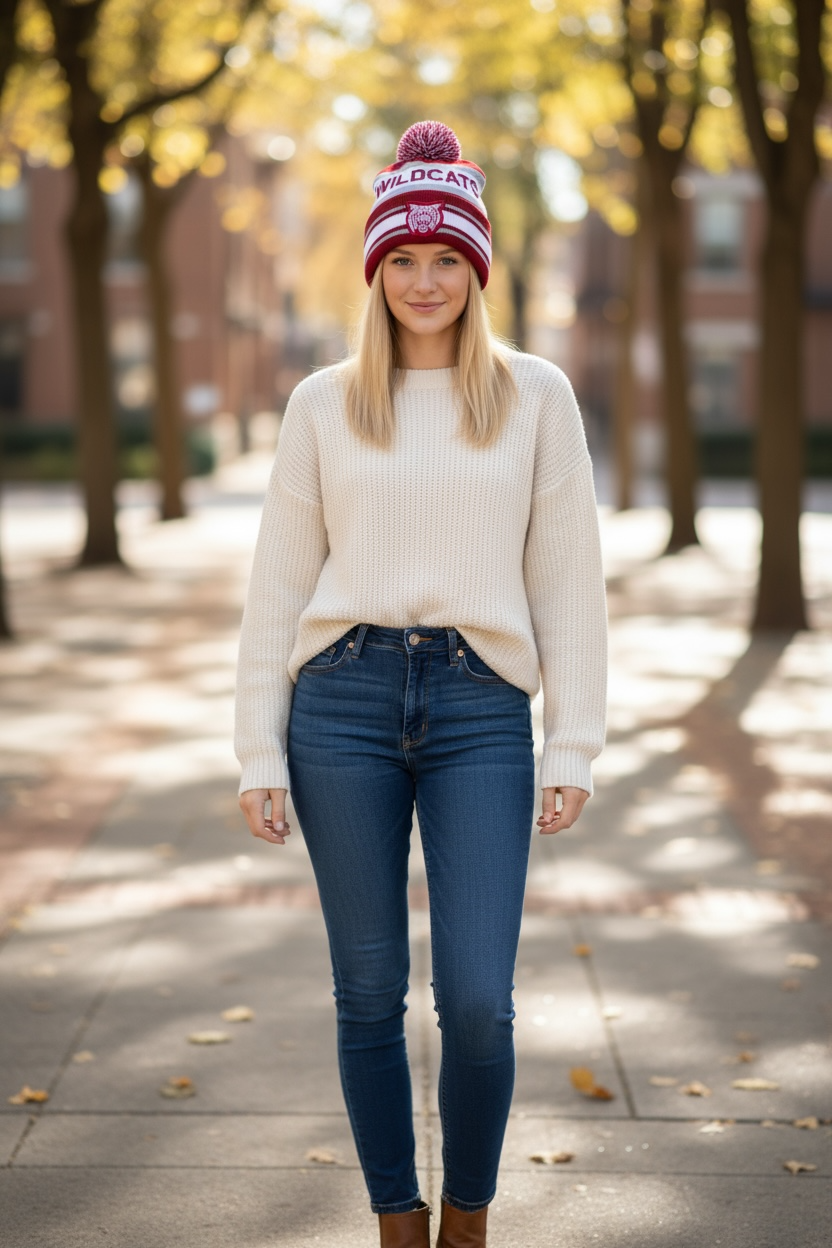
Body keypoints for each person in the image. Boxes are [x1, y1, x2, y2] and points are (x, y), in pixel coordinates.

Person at [235, 120, 607, 1248]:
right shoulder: (322, 403)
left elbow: (568, 580)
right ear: (373, 269)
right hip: (338, 706)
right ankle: (396, 1218)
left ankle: (467, 1218)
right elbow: (276, 588)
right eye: (403, 258)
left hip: (481, 709)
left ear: (477, 270)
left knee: (480, 1004)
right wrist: (259, 748)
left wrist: (573, 744)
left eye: (447, 258)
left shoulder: (535, 396)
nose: (425, 280)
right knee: (365, 995)